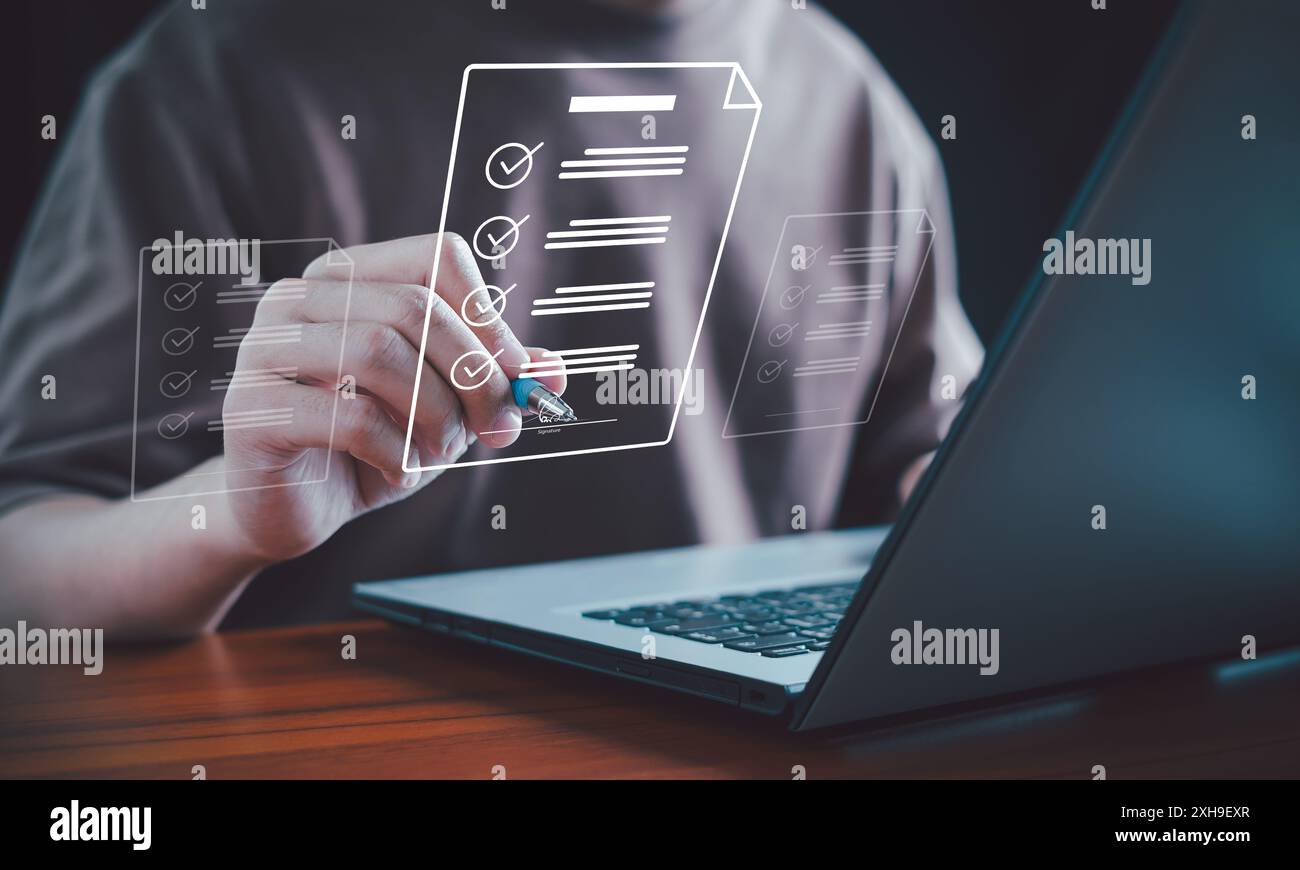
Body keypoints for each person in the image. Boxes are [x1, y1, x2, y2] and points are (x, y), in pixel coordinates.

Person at [0, 0, 982, 638]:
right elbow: (22, 563)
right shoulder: (213, 79)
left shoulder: (846, 96)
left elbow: (937, 462)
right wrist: (231, 514)